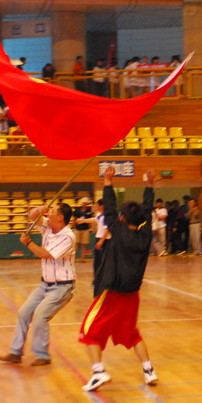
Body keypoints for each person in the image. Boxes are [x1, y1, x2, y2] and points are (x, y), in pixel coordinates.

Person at [80, 167, 159, 391]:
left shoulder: (117, 229)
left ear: (121, 218)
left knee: (88, 331)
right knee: (132, 333)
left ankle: (98, 372)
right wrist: (150, 184)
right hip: (132, 294)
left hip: (112, 292)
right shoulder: (145, 235)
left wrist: (107, 181)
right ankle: (149, 370)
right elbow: (147, 210)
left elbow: (110, 208)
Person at [0, 202, 76, 366]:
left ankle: (43, 356)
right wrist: (38, 210)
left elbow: (46, 254)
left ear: (60, 217)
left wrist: (28, 243)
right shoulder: (48, 227)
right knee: (23, 313)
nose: (49, 214)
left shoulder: (68, 236)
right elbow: (33, 217)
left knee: (40, 315)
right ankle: (15, 353)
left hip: (62, 287)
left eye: (52, 211)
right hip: (45, 285)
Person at [92, 199, 110, 297]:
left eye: (98, 205)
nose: (97, 207)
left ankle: (101, 280)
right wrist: (81, 220)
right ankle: (97, 279)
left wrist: (101, 241)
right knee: (97, 261)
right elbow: (93, 220)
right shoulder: (100, 215)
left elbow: (107, 229)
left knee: (101, 261)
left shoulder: (106, 216)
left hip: (103, 240)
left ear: (101, 206)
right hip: (98, 238)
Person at [73, 198, 93, 262]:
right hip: (78, 229)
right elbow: (74, 218)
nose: (85, 204)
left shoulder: (89, 211)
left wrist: (90, 228)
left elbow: (90, 219)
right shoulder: (77, 210)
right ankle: (73, 258)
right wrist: (74, 226)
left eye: (86, 203)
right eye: (84, 203)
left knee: (84, 244)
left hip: (85, 229)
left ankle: (82, 258)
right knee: (76, 244)